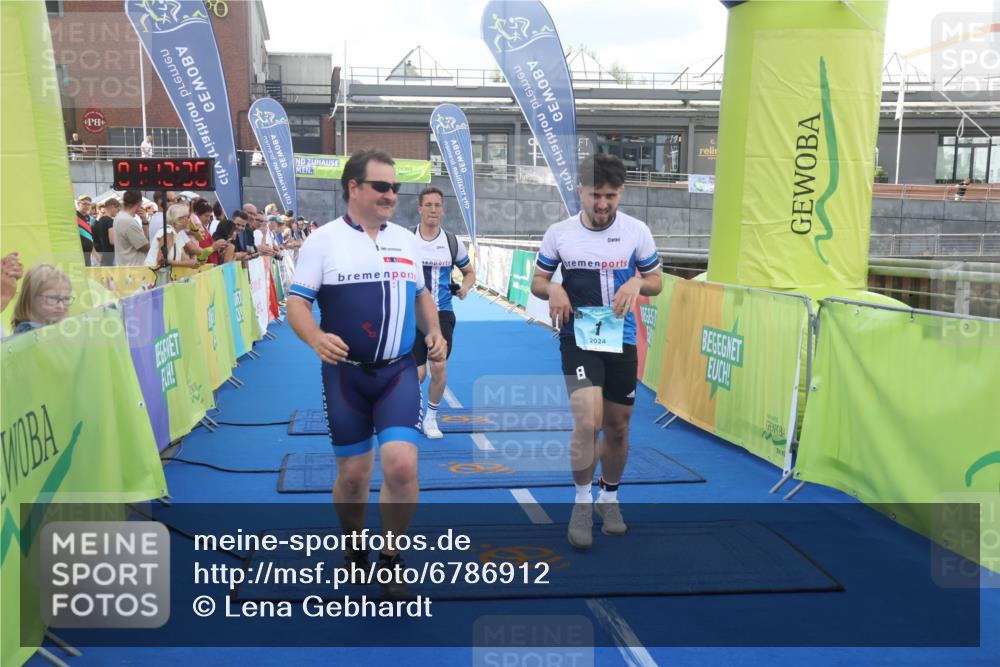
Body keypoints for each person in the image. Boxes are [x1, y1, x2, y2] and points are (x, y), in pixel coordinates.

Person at [287, 149, 445, 599]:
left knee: (400, 466)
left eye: (395, 188)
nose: (391, 195)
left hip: (397, 372)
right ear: (353, 187)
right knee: (354, 477)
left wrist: (433, 330)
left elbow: (421, 295)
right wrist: (316, 337)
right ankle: (354, 548)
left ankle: (391, 558)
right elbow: (297, 302)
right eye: (381, 186)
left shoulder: (405, 240)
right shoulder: (323, 241)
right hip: (346, 377)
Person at [530, 153, 663, 550]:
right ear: (580, 192)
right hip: (579, 337)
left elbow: (656, 279)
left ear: (621, 192)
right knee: (589, 421)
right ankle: (582, 502)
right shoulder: (560, 233)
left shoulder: (637, 231)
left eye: (610, 196)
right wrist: (553, 288)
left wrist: (638, 285)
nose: (602, 204)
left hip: (621, 338)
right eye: (594, 195)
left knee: (618, 427)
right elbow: (538, 280)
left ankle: (611, 498)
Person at [410, 187, 475, 438]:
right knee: (418, 373)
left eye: (437, 205)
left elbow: (469, 273)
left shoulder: (451, 241)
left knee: (438, 368)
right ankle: (413, 408)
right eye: (428, 205)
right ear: (419, 209)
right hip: (414, 316)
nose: (433, 209)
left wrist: (465, 288)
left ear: (443, 210)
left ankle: (431, 418)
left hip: (443, 314)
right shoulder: (407, 240)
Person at [10, 264, 73, 335]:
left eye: (66, 299)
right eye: (53, 298)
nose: (61, 306)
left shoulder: (53, 325)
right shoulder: (28, 330)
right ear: (31, 298)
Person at [113, 190, 150, 266]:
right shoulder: (129, 222)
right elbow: (145, 247)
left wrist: (144, 222)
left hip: (126, 267)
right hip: (134, 270)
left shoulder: (119, 216)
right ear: (139, 202)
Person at [93, 197, 119, 266]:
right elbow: (112, 241)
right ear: (113, 207)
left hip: (100, 254)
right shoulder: (110, 221)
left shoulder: (98, 221)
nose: (117, 211)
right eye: (117, 209)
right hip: (109, 254)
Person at [75, 195, 95, 267]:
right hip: (77, 253)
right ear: (78, 204)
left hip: (88, 253)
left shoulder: (90, 218)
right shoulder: (73, 215)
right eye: (84, 204)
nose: (87, 206)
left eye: (89, 204)